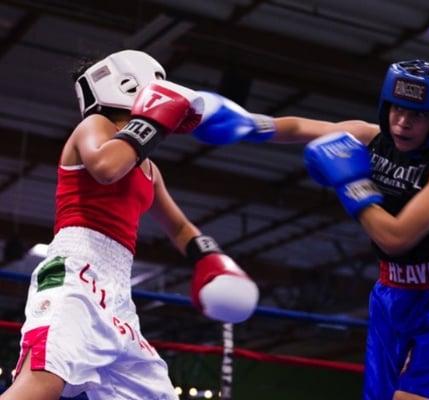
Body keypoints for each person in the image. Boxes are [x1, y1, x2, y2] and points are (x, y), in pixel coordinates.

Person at [191, 52, 429, 400]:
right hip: (391, 295)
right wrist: (248, 124)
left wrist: (350, 183)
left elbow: (396, 237)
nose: (403, 122)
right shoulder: (369, 137)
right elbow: (301, 127)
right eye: (397, 108)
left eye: (418, 115)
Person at [1, 49, 259, 400]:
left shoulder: (149, 170)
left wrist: (209, 259)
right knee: (45, 380)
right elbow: (106, 167)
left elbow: (180, 229)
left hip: (118, 293)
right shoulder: (94, 127)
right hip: (75, 271)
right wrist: (153, 120)